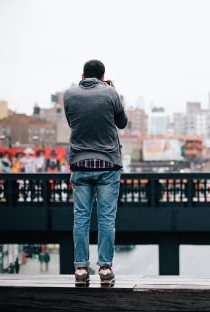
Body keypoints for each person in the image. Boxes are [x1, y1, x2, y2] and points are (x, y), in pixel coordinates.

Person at [64, 59, 128, 287]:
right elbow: (122, 123)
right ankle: (105, 268)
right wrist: (110, 90)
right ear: (103, 76)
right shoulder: (111, 93)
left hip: (80, 164)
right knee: (106, 218)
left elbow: (73, 122)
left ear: (82, 75)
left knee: (80, 217)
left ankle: (81, 269)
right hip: (108, 166)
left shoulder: (69, 95)